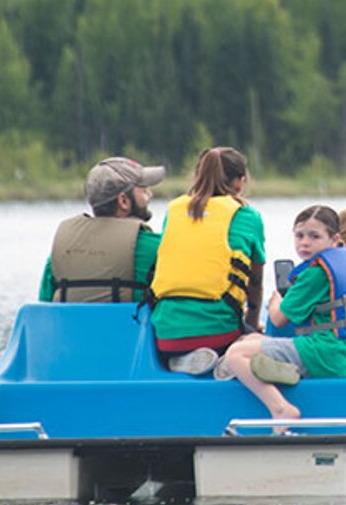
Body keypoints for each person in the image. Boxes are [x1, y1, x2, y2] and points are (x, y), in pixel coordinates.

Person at [220, 205, 346, 424]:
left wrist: (276, 302)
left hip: (324, 354)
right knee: (250, 339)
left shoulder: (314, 274)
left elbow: (279, 319)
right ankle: (285, 371)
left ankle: (281, 409)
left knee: (236, 354)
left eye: (314, 236)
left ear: (334, 238)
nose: (305, 242)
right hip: (343, 356)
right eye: (299, 235)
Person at [151, 147, 266, 376]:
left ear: (197, 177)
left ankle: (182, 361)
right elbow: (255, 282)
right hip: (218, 333)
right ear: (240, 183)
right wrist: (251, 323)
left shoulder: (173, 211)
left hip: (166, 334)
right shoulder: (247, 217)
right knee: (260, 343)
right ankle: (228, 359)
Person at [39, 156, 165, 302]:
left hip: (72, 325)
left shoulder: (59, 255)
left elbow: (45, 304)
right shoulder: (157, 248)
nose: (150, 194)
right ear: (123, 201)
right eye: (143, 190)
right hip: (127, 325)